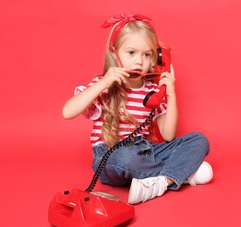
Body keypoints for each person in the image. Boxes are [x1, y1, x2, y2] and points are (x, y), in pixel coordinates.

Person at [62, 13, 213, 204]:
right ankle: (181, 173)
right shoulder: (102, 85)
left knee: (199, 140)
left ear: (156, 58)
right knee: (126, 157)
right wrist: (104, 83)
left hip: (144, 151)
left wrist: (171, 95)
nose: (139, 61)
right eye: (131, 53)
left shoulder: (151, 91)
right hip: (111, 157)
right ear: (115, 53)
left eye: (147, 54)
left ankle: (162, 182)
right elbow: (67, 112)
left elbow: (168, 135)